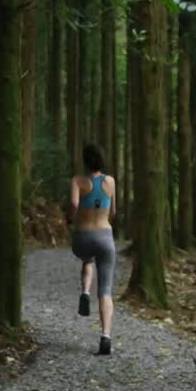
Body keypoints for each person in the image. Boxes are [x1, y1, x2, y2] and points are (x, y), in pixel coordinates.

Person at [67, 144, 117, 356]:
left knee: (87, 259)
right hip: (105, 236)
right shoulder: (110, 181)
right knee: (105, 290)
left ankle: (85, 291)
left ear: (85, 161)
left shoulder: (78, 181)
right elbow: (113, 211)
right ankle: (106, 336)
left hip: (83, 237)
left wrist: (71, 218)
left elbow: (74, 204)